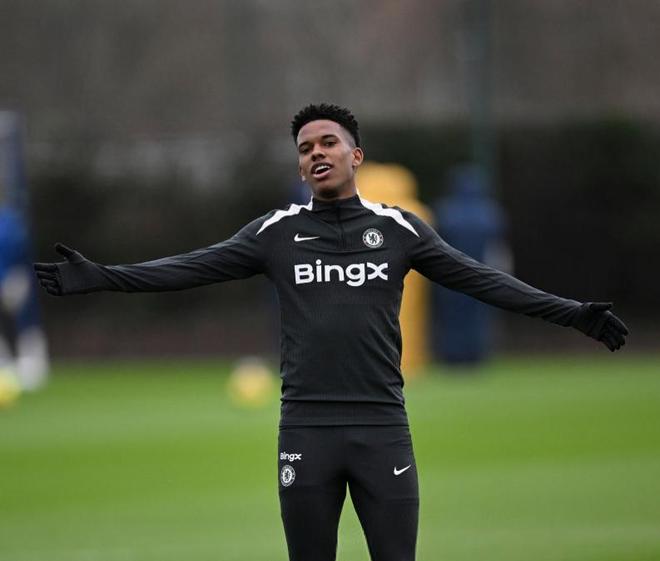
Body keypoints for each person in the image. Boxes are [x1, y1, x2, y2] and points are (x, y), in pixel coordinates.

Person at [34, 103, 628, 561]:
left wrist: (572, 312)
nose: (315, 153)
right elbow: (190, 267)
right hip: (306, 430)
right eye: (305, 149)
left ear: (355, 155)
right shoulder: (274, 232)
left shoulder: (399, 230)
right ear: (300, 166)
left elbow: (484, 281)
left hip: (382, 427)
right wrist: (102, 277)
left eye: (327, 143)